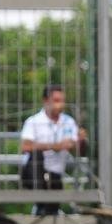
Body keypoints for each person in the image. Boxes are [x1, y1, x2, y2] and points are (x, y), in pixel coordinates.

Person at [20, 85, 80, 216]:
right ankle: (40, 203)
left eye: (62, 101)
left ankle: (46, 209)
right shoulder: (34, 121)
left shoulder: (69, 121)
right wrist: (54, 146)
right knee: (37, 155)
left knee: (52, 208)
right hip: (34, 173)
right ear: (46, 101)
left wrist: (79, 141)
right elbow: (25, 147)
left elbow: (77, 146)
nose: (61, 104)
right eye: (57, 100)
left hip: (56, 172)